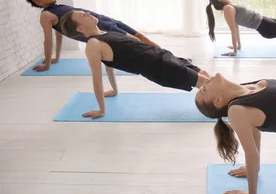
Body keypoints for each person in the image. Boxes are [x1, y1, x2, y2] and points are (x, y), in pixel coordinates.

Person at [59, 10, 211, 119]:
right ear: (79, 28)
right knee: (203, 82)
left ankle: (231, 95)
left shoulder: (104, 34)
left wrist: (114, 90)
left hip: (163, 56)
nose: (87, 14)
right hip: (158, 67)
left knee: (204, 74)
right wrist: (101, 109)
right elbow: (97, 78)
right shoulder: (93, 44)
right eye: (82, 16)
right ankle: (230, 103)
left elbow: (109, 66)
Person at [23, 0, 158, 72]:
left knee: (140, 37)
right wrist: (47, 63)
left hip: (104, 19)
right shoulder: (45, 15)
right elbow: (48, 40)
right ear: (38, 2)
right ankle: (159, 62)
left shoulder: (56, 8)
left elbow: (58, 35)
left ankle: (164, 55)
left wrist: (56, 58)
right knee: (136, 42)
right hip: (102, 28)